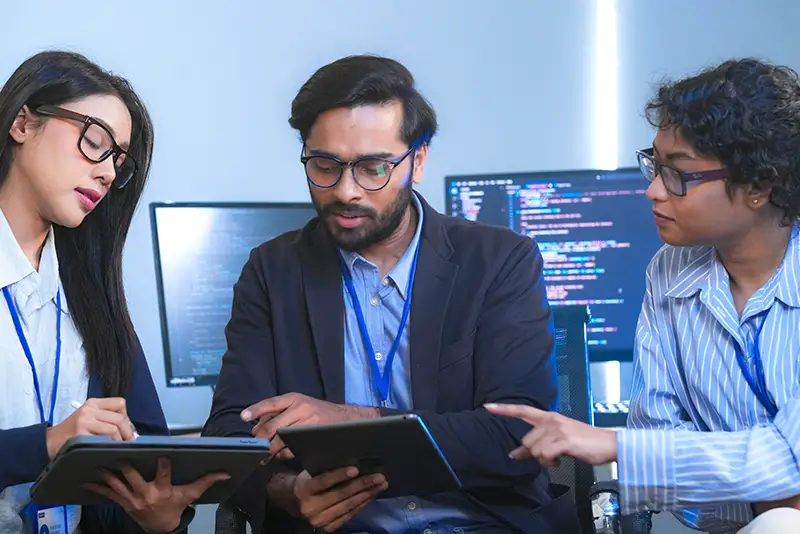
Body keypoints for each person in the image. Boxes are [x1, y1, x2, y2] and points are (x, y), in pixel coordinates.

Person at [203, 54, 580, 534]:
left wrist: (350, 419)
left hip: (482, 524)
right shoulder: (272, 271)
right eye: (324, 165)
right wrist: (288, 493)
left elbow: (519, 433)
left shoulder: (499, 261)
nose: (346, 191)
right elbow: (230, 432)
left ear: (417, 160)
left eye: (373, 168)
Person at [486, 57, 800, 534]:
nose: (653, 190)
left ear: (758, 185)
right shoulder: (668, 272)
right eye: (655, 164)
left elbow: (787, 456)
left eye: (678, 174)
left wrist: (618, 445)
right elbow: (667, 463)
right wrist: (756, 489)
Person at [0, 50, 229, 534]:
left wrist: (163, 519)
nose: (107, 172)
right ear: (23, 122)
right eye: (95, 141)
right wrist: (46, 444)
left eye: (119, 162)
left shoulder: (90, 291)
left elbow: (146, 462)